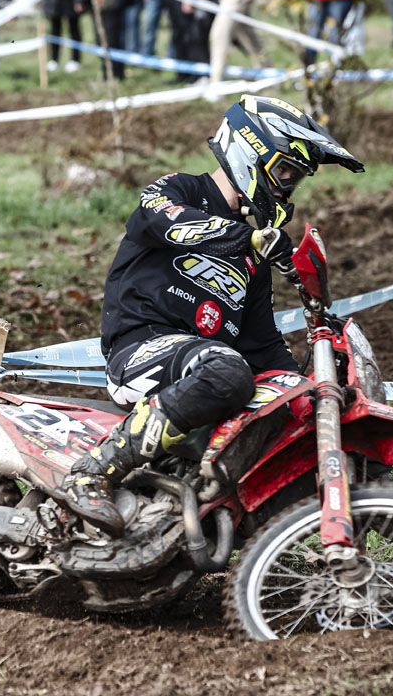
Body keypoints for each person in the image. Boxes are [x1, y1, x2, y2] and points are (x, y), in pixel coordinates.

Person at [59, 94, 364, 535]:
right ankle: (92, 471)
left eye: (295, 179)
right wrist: (246, 238)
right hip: (141, 350)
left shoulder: (254, 255)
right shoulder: (178, 191)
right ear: (251, 151)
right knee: (227, 370)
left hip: (206, 366)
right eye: (284, 172)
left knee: (295, 412)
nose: (287, 187)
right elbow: (164, 220)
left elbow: (264, 346)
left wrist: (310, 390)